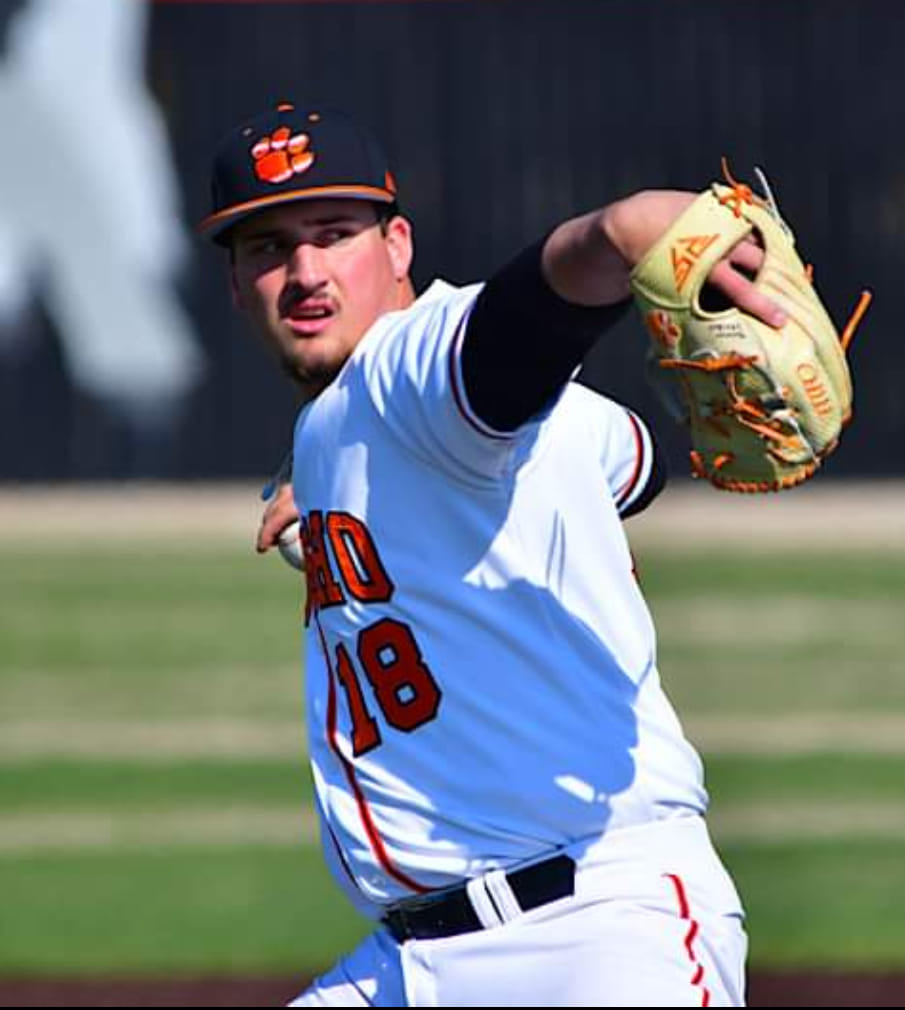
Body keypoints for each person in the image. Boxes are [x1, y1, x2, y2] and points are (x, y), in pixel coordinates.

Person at [202, 101, 785, 1007]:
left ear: (397, 245)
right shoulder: (398, 423)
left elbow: (520, 326)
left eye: (334, 234)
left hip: (592, 941)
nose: (305, 272)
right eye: (269, 248)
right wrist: (349, 489)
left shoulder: (414, 367)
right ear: (237, 283)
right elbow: (633, 463)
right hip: (416, 960)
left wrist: (615, 233)